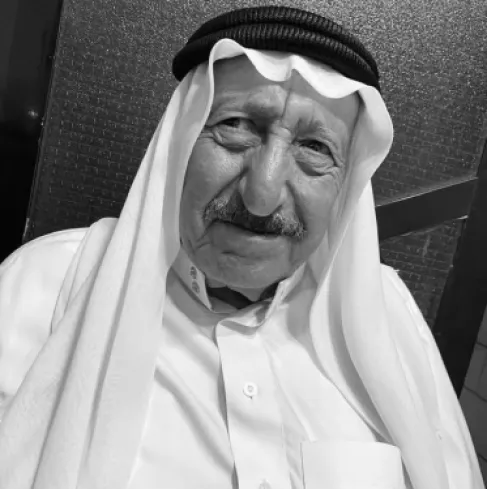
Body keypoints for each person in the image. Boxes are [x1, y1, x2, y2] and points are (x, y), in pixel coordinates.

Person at [0, 5, 483, 489]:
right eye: (237, 126)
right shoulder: (46, 283)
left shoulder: (388, 313)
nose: (262, 195)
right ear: (179, 141)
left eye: (315, 149)